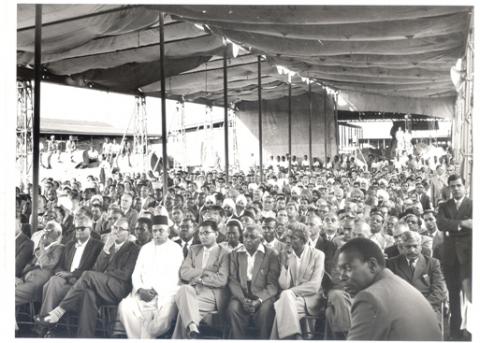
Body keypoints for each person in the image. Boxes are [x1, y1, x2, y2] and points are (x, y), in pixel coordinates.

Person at [35, 217, 140, 338]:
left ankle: (58, 312)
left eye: (120, 229)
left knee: (88, 275)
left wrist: (102, 276)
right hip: (102, 287)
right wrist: (105, 250)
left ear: (128, 233)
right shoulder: (108, 246)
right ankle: (84, 337)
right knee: (87, 294)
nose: (116, 231)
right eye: (114, 227)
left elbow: (125, 274)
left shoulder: (134, 249)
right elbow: (97, 269)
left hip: (119, 289)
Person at [337, 238, 441, 340]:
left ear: (372, 265)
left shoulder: (369, 298)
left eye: (347, 268)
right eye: (340, 270)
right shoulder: (400, 284)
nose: (341, 277)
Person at [117, 214, 184, 338]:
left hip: (165, 295)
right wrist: (141, 290)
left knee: (156, 326)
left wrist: (155, 291)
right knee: (124, 306)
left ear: (168, 231)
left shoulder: (176, 249)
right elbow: (136, 273)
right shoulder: (145, 249)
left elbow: (175, 276)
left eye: (161, 231)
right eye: (154, 231)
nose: (157, 234)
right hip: (142, 295)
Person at [172, 220, 230, 339]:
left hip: (212, 294)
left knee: (185, 309)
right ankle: (192, 326)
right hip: (192, 289)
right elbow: (184, 273)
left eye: (207, 233)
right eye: (201, 233)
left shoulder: (224, 253)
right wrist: (204, 273)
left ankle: (187, 331)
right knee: (184, 289)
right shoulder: (194, 249)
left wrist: (200, 279)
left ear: (217, 234)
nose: (203, 236)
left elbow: (222, 280)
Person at [37, 215, 104, 318]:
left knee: (50, 286)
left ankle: (44, 323)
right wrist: (62, 275)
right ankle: (46, 320)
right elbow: (60, 266)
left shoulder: (98, 246)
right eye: (76, 228)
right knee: (54, 280)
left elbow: (95, 270)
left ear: (90, 229)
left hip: (81, 282)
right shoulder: (69, 245)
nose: (78, 231)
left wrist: (72, 274)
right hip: (65, 280)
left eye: (81, 228)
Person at [270, 223, 325, 339]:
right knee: (284, 306)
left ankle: (288, 338)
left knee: (282, 307)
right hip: (292, 299)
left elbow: (314, 286)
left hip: (311, 299)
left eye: (293, 238)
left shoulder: (318, 255)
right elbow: (284, 285)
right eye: (287, 238)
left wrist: (290, 292)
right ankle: (296, 336)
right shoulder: (287, 256)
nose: (288, 241)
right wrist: (285, 265)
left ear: (304, 240)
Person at [227, 224, 280, 339]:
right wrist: (242, 299)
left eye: (252, 237)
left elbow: (273, 284)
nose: (247, 240)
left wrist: (259, 300)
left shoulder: (271, 254)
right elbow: (232, 280)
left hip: (263, 294)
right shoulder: (235, 253)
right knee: (233, 308)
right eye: (245, 236)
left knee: (265, 311)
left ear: (261, 239)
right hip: (242, 293)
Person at [436, 174, 472, 340]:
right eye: (452, 186)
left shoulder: (472, 204)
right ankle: (455, 332)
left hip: (469, 257)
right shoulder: (444, 206)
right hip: (450, 257)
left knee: (471, 296)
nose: (456, 189)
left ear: (465, 186)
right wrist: (463, 224)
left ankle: (471, 330)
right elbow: (441, 224)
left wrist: (452, 227)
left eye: (458, 185)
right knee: (453, 295)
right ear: (449, 188)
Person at [386, 231, 447, 321]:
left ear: (421, 247)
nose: (412, 250)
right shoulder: (391, 263)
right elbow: (388, 290)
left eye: (415, 246)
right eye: (408, 246)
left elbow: (439, 291)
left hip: (427, 307)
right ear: (402, 247)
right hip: (400, 309)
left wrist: (422, 306)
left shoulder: (433, 263)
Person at [16, 221, 64, 307]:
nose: (45, 232)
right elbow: (29, 264)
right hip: (25, 277)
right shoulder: (39, 249)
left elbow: (48, 264)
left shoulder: (59, 248)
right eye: (45, 229)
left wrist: (41, 245)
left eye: (49, 230)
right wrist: (19, 278)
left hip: (39, 280)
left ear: (58, 233)